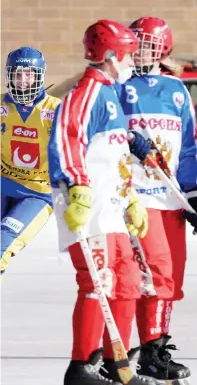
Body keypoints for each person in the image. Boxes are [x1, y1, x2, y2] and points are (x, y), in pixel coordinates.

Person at [48, 19, 153, 385]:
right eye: (126, 54)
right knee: (98, 281)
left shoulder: (112, 94)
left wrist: (131, 200)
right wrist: (77, 187)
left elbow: (115, 157)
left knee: (127, 281)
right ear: (109, 55)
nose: (131, 62)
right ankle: (82, 367)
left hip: (112, 209)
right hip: (88, 206)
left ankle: (118, 366)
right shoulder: (86, 92)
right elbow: (67, 139)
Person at [117, 16, 197, 384]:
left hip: (170, 199)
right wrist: (126, 136)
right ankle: (149, 351)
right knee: (154, 273)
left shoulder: (177, 90)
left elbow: (188, 147)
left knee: (171, 278)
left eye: (149, 45)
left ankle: (155, 346)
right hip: (137, 197)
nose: (141, 52)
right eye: (136, 44)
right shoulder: (120, 85)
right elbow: (102, 128)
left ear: (163, 49)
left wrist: (194, 194)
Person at [1, 47, 60, 277]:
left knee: (3, 241)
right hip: (3, 183)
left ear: (39, 75)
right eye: (17, 74)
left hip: (37, 193)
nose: (23, 80)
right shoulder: (1, 107)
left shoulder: (55, 110)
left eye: (29, 74)